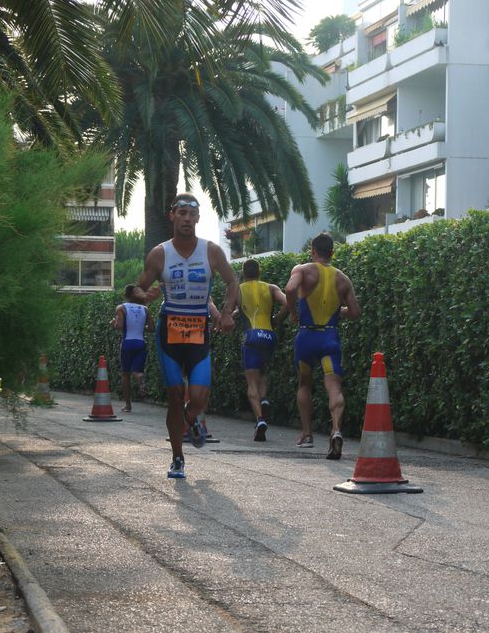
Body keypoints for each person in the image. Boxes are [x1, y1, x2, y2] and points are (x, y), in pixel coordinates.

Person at [135, 193, 238, 479]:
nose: (186, 218)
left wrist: (227, 312)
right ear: (172, 216)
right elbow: (135, 291)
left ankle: (192, 419)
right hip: (169, 330)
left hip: (198, 330)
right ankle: (178, 458)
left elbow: (232, 281)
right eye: (181, 212)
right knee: (175, 395)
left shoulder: (212, 251)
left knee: (199, 397)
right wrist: (147, 295)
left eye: (191, 214)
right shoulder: (159, 254)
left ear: (198, 218)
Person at [285, 231, 361, 460]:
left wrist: (293, 313)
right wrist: (337, 312)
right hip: (330, 337)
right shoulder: (343, 279)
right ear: (332, 253)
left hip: (307, 337)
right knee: (334, 386)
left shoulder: (303, 269)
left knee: (304, 384)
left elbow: (289, 289)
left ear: (312, 251)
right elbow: (356, 312)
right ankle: (336, 429)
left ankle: (307, 434)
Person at [237, 258, 288, 441]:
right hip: (269, 336)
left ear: (244, 273)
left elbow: (231, 309)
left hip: (251, 336)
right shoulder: (271, 287)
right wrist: (277, 319)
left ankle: (260, 419)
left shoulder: (238, 289)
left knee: (251, 379)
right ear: (259, 272)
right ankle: (264, 399)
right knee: (263, 373)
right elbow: (287, 302)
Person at [111, 284, 155, 412]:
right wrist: (142, 328)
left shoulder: (122, 308)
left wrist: (113, 324)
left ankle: (128, 405)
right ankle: (140, 378)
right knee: (137, 371)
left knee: (125, 374)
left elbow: (119, 326)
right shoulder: (145, 309)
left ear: (126, 295)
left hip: (127, 343)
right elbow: (152, 328)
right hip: (140, 343)